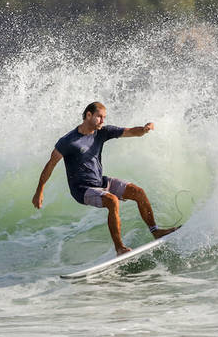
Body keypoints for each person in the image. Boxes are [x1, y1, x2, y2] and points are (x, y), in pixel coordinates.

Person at [32, 101, 178, 255]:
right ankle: (120, 248)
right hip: (82, 190)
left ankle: (156, 231)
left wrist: (144, 129)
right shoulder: (68, 141)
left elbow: (130, 132)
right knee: (112, 201)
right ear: (88, 115)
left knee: (138, 192)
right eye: (99, 117)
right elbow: (50, 165)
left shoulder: (102, 132)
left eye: (104, 117)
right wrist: (39, 191)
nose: (103, 121)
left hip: (99, 181)